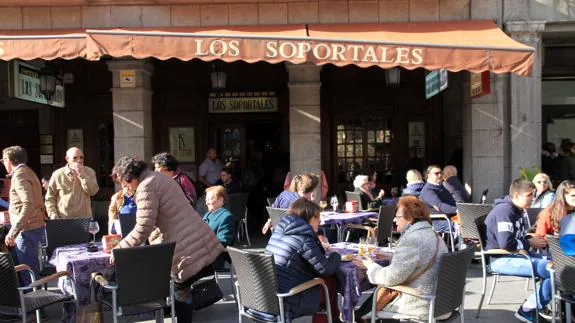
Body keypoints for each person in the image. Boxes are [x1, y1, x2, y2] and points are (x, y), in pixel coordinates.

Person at [110, 157, 224, 322]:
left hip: (185, 247)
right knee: (181, 290)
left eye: (124, 182)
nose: (124, 186)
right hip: (196, 238)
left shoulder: (145, 187)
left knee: (181, 290)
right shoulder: (159, 177)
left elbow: (143, 227)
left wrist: (120, 247)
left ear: (130, 177)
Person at [354, 196, 448, 322]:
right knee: (368, 306)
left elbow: (390, 278)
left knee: (366, 308)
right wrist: (392, 256)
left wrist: (370, 265)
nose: (394, 219)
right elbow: (422, 257)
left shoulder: (412, 240)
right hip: (441, 303)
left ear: (410, 219)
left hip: (419, 304)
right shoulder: (433, 235)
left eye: (398, 216)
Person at [485, 179, 551, 322]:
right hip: (500, 259)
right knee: (554, 271)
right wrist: (529, 242)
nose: (532, 199)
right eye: (529, 195)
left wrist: (531, 238)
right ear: (516, 195)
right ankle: (529, 309)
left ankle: (540, 302)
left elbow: (517, 236)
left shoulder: (518, 209)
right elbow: (505, 243)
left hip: (516, 255)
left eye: (533, 195)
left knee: (557, 265)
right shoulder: (504, 211)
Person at [266, 198, 341, 322]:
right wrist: (336, 255)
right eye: (317, 217)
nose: (320, 221)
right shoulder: (304, 238)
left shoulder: (280, 230)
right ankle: (331, 319)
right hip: (288, 299)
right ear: (309, 218)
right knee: (329, 282)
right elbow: (325, 269)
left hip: (264, 295)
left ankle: (333, 319)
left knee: (326, 281)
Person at [1, 146, 46, 286]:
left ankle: (32, 305)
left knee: (27, 272)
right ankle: (35, 304)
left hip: (26, 229)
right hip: (31, 226)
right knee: (30, 270)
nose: (2, 163)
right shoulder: (27, 171)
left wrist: (13, 232)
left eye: (3, 160)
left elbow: (28, 204)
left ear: (9, 160)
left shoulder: (20, 175)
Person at [45, 147, 99, 219]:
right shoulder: (58, 174)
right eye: (75, 158)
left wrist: (82, 175)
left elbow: (93, 191)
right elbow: (50, 198)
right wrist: (53, 214)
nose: (79, 160)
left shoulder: (89, 172)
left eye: (81, 157)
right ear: (67, 159)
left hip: (84, 219)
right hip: (63, 219)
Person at [419, 165, 457, 232]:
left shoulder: (441, 187)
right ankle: (461, 242)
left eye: (441, 173)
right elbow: (440, 206)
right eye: (436, 173)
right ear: (428, 175)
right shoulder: (427, 190)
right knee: (465, 225)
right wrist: (458, 210)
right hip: (438, 221)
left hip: (450, 217)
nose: (439, 175)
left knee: (471, 221)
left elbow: (452, 202)